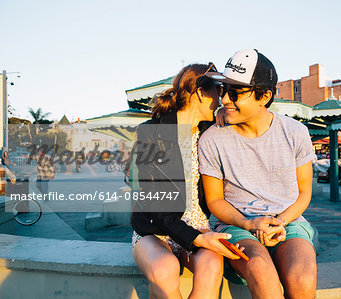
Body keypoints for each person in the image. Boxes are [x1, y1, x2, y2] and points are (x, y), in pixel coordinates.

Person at [199, 49, 317, 298]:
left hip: (289, 222)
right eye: (223, 90)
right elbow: (214, 200)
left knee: (302, 278)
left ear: (264, 95)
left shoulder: (295, 132)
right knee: (261, 272)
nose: (225, 100)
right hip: (236, 225)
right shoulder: (212, 139)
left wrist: (280, 222)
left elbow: (305, 192)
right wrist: (249, 223)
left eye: (235, 92)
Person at [130, 63, 244, 299]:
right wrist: (198, 238)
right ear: (201, 93)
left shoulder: (211, 133)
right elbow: (158, 206)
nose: (222, 98)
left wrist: (229, 116)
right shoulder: (150, 134)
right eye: (219, 90)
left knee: (212, 266)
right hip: (155, 230)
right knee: (164, 269)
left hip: (199, 226)